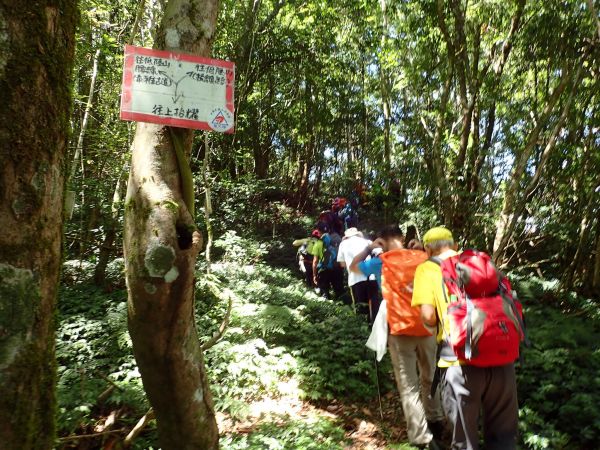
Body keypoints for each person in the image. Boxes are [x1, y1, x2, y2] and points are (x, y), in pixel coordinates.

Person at [412, 227, 519, 450]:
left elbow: (428, 316)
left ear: (428, 249)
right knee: (503, 437)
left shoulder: (426, 269)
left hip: (459, 362)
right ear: (454, 245)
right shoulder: (481, 265)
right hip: (501, 358)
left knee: (465, 440)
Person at [350, 225, 444, 450]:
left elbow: (353, 267)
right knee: (430, 376)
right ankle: (437, 422)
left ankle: (422, 438)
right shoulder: (423, 257)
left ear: (380, 241)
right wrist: (422, 247)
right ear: (402, 238)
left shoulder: (381, 261)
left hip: (400, 330)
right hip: (427, 326)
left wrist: (368, 248)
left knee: (408, 386)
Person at [336, 227, 379, 316]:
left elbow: (342, 264)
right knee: (374, 307)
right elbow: (379, 253)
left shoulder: (343, 244)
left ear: (346, 236)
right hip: (371, 277)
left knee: (361, 308)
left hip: (355, 279)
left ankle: (364, 328)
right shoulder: (367, 242)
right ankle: (376, 326)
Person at [311, 230, 345, 300]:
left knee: (324, 292)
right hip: (337, 269)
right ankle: (343, 306)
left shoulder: (318, 244)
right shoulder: (337, 244)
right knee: (339, 291)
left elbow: (315, 261)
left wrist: (314, 275)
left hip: (323, 270)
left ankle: (327, 307)